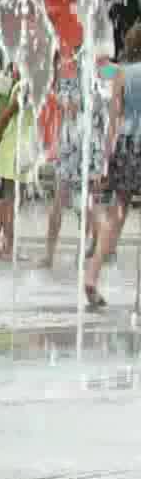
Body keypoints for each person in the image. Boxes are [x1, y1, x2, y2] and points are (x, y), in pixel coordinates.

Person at [84, 23, 141, 306]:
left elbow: (113, 122)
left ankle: (92, 275)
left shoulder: (120, 74)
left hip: (126, 146)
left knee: (116, 214)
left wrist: (105, 162)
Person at [39, 49, 109, 268]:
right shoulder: (96, 75)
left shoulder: (71, 75)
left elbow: (70, 108)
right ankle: (90, 249)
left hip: (76, 145)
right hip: (83, 145)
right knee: (83, 203)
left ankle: (53, 255)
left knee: (67, 201)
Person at [0, 74, 37, 260]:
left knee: (11, 200)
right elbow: (5, 116)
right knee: (13, 201)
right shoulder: (25, 87)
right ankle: (7, 246)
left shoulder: (31, 85)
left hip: (20, 149)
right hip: (15, 150)